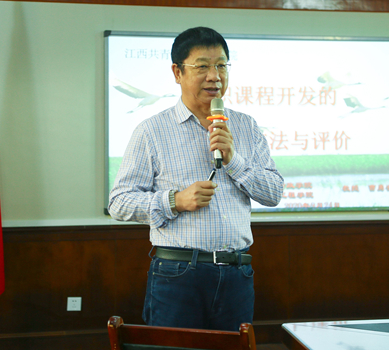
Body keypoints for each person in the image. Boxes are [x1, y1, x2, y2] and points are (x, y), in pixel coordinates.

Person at [108, 26, 284, 331]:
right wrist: (174, 201)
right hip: (177, 274)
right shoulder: (151, 131)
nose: (214, 76)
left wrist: (234, 161)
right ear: (177, 72)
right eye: (202, 66)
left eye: (221, 66)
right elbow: (119, 203)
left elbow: (273, 193)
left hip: (236, 272)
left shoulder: (246, 126)